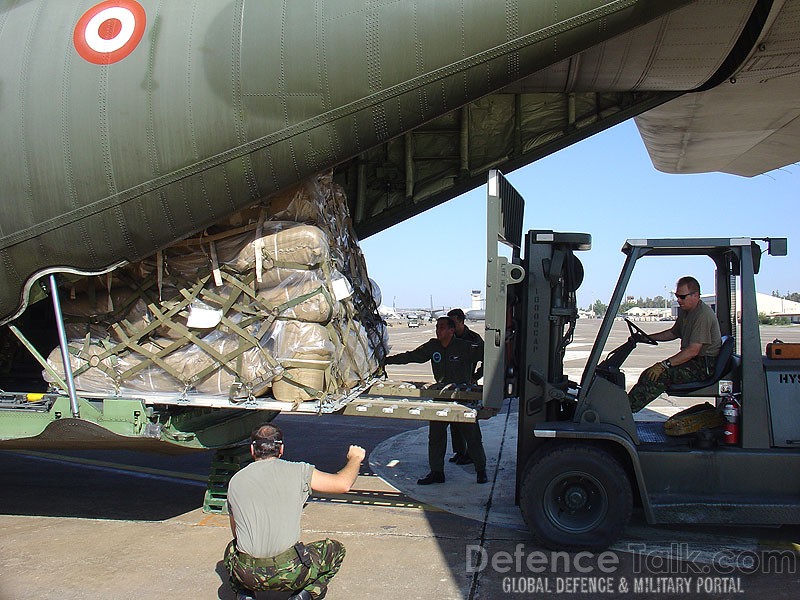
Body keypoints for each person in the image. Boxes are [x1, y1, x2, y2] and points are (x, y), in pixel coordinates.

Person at [224, 423, 366, 600]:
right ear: (281, 449)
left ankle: (245, 594)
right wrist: (355, 458)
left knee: (231, 550)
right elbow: (342, 484)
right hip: (291, 571)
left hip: (247, 574)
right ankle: (303, 596)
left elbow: (236, 533)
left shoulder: (236, 481)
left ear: (253, 450)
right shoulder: (299, 471)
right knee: (335, 550)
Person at [385, 316, 488, 484]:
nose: (437, 330)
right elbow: (411, 356)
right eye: (437, 327)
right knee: (436, 437)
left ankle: (481, 470)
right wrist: (387, 361)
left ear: (451, 330)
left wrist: (476, 376)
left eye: (441, 327)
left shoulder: (465, 347)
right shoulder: (433, 346)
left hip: (462, 397)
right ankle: (437, 472)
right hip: (440, 396)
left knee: (472, 436)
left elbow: (488, 356)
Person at [628, 276, 722, 412]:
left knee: (657, 376)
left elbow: (693, 350)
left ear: (695, 295)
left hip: (704, 366)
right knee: (648, 374)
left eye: (682, 297)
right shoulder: (686, 312)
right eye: (677, 296)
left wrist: (664, 365)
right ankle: (625, 408)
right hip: (695, 362)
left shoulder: (703, 315)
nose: (678, 300)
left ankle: (625, 412)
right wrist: (646, 337)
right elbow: (673, 333)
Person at [446, 308, 485, 465]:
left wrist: (476, 376)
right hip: (452, 385)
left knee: (469, 421)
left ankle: (471, 453)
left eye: (454, 322)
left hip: (467, 385)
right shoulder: (450, 336)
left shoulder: (473, 339)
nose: (451, 326)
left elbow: (487, 358)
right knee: (454, 421)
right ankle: (460, 452)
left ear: (461, 321)